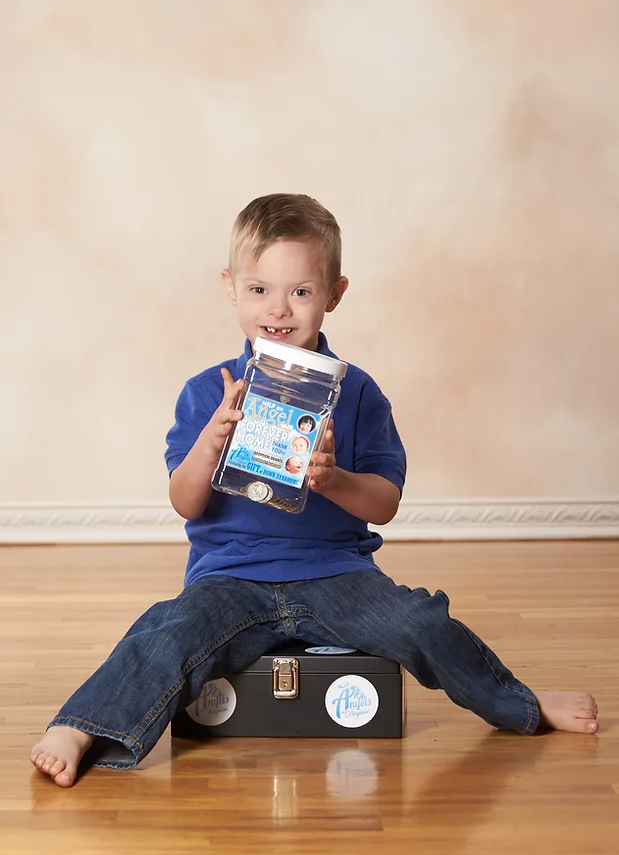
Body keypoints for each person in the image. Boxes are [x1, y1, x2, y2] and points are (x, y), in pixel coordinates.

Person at [30, 193, 599, 787]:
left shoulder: (358, 394)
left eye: (300, 291)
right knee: (166, 630)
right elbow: (185, 501)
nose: (278, 309)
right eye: (259, 290)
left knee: (422, 622)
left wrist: (333, 481)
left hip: (337, 576)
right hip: (230, 577)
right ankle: (83, 725)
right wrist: (213, 441)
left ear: (334, 294)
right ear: (230, 287)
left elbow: (385, 504)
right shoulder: (206, 392)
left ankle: (522, 703)